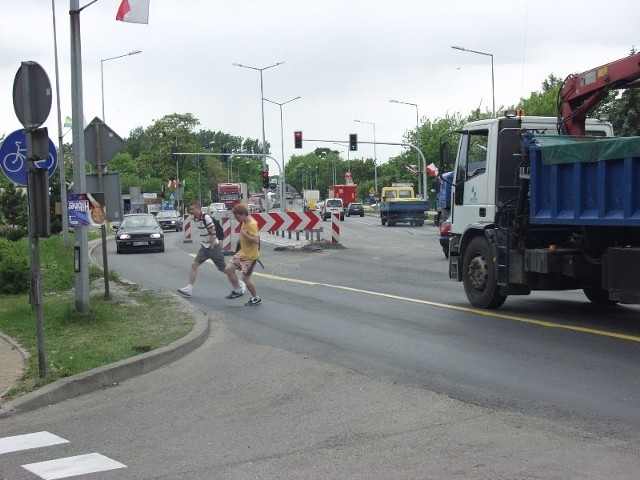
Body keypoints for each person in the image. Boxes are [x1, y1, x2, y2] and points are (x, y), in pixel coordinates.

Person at [178, 200, 244, 297]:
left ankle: (240, 284)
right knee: (194, 265)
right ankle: (189, 288)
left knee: (224, 269)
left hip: (213, 247)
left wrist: (212, 245)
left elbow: (212, 231)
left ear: (198, 208)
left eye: (192, 209)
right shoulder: (196, 218)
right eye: (190, 209)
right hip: (204, 247)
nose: (191, 211)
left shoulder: (206, 218)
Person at [224, 203, 261, 306]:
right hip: (242, 253)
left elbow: (256, 240)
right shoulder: (245, 220)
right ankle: (238, 290)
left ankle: (256, 297)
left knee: (246, 278)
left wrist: (245, 235)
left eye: (237, 217)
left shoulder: (251, 224)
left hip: (250, 257)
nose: (236, 219)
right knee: (228, 269)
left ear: (244, 214)